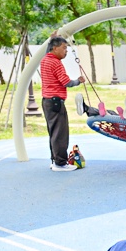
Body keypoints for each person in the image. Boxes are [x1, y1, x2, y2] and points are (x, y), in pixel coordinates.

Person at [40, 36, 86, 172]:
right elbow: (66, 82)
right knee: (60, 133)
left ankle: (55, 160)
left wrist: (51, 37)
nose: (66, 51)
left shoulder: (45, 60)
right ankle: (60, 163)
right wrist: (79, 80)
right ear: (55, 48)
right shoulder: (55, 63)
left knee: (53, 132)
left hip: (47, 101)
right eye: (64, 48)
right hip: (56, 102)